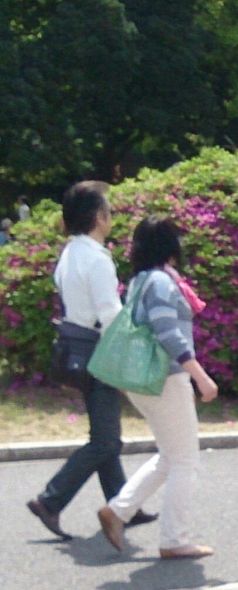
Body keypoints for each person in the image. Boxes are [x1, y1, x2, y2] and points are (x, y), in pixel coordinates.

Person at [26, 182, 156, 541]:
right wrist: (129, 356)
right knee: (105, 441)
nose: (111, 216)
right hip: (100, 351)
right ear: (98, 216)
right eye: (109, 211)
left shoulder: (70, 253)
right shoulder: (97, 258)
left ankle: (122, 505)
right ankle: (50, 501)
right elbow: (110, 314)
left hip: (76, 349)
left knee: (105, 436)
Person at [97, 217, 219, 560]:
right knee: (185, 460)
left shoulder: (138, 282)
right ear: (170, 246)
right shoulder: (162, 282)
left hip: (145, 380)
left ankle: (117, 511)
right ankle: (174, 539)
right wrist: (200, 376)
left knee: (171, 456)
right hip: (166, 378)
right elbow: (168, 333)